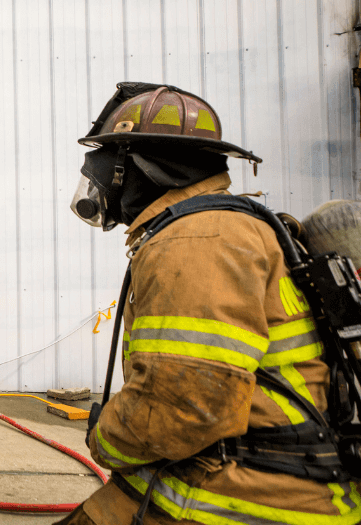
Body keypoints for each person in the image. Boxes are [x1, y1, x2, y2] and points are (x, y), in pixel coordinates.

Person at [57, 83, 361, 524]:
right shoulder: (230, 224)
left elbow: (183, 405)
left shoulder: (196, 239)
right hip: (232, 478)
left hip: (237, 499)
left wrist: (105, 440)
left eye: (104, 160)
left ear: (133, 165)